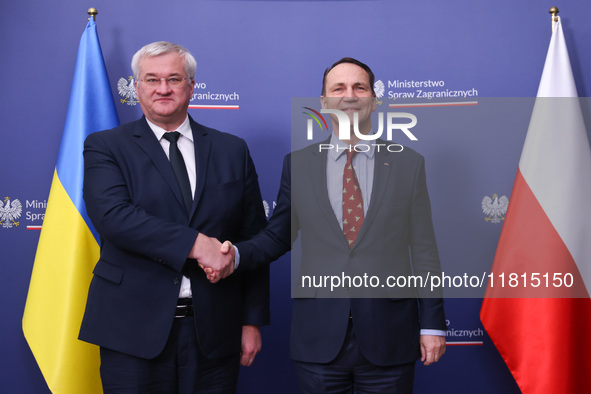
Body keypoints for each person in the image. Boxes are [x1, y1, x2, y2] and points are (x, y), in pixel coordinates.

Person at [203, 57, 446, 393]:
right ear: (324, 102)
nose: (349, 96)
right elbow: (278, 235)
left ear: (373, 100)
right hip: (318, 339)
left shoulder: (407, 163)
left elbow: (424, 250)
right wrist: (236, 256)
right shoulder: (299, 164)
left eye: (359, 87)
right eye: (339, 88)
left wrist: (433, 324)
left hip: (389, 337)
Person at [78, 41, 269, 393]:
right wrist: (197, 245)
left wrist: (251, 321)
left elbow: (254, 237)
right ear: (136, 87)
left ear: (191, 86)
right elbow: (113, 216)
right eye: (151, 79)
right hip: (131, 332)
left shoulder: (232, 149)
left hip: (215, 331)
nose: (162, 88)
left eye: (174, 79)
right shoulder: (105, 146)